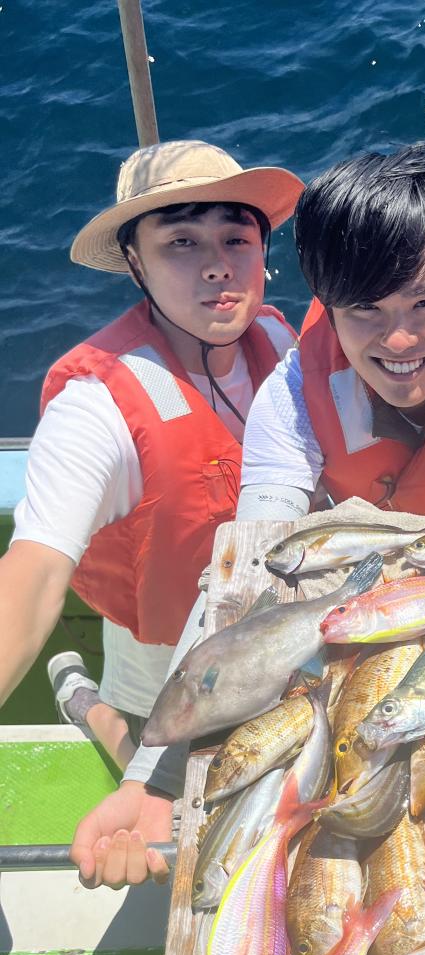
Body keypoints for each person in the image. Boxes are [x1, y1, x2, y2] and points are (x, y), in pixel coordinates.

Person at [70, 141, 425, 887]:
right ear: (328, 304)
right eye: (364, 310)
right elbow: (246, 575)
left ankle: (82, 700)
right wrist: (155, 779)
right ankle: (90, 706)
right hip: (351, 590)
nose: (397, 341)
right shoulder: (292, 395)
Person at [0, 140, 304, 796]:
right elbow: (34, 571)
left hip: (267, 618)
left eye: (236, 239)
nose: (218, 266)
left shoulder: (280, 340)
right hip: (163, 646)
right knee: (155, 763)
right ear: (135, 261)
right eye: (181, 243)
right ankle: (87, 703)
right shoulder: (96, 406)